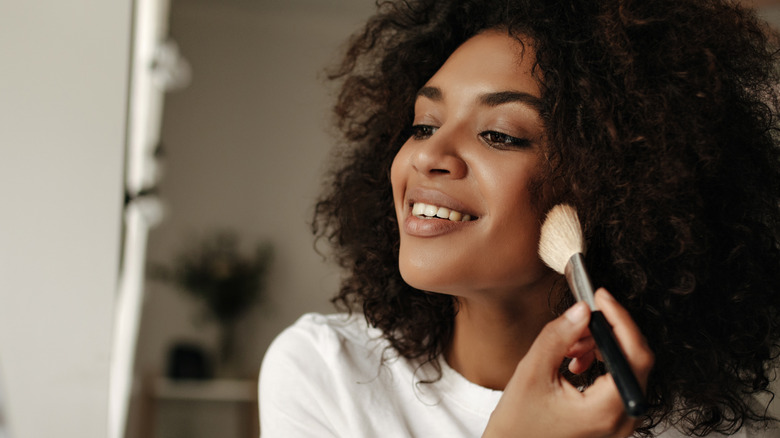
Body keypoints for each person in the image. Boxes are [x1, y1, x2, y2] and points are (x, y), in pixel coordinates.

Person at [259, 0, 780, 436]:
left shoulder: (685, 428)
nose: (428, 153)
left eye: (500, 135)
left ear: (616, 190)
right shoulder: (326, 371)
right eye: (422, 125)